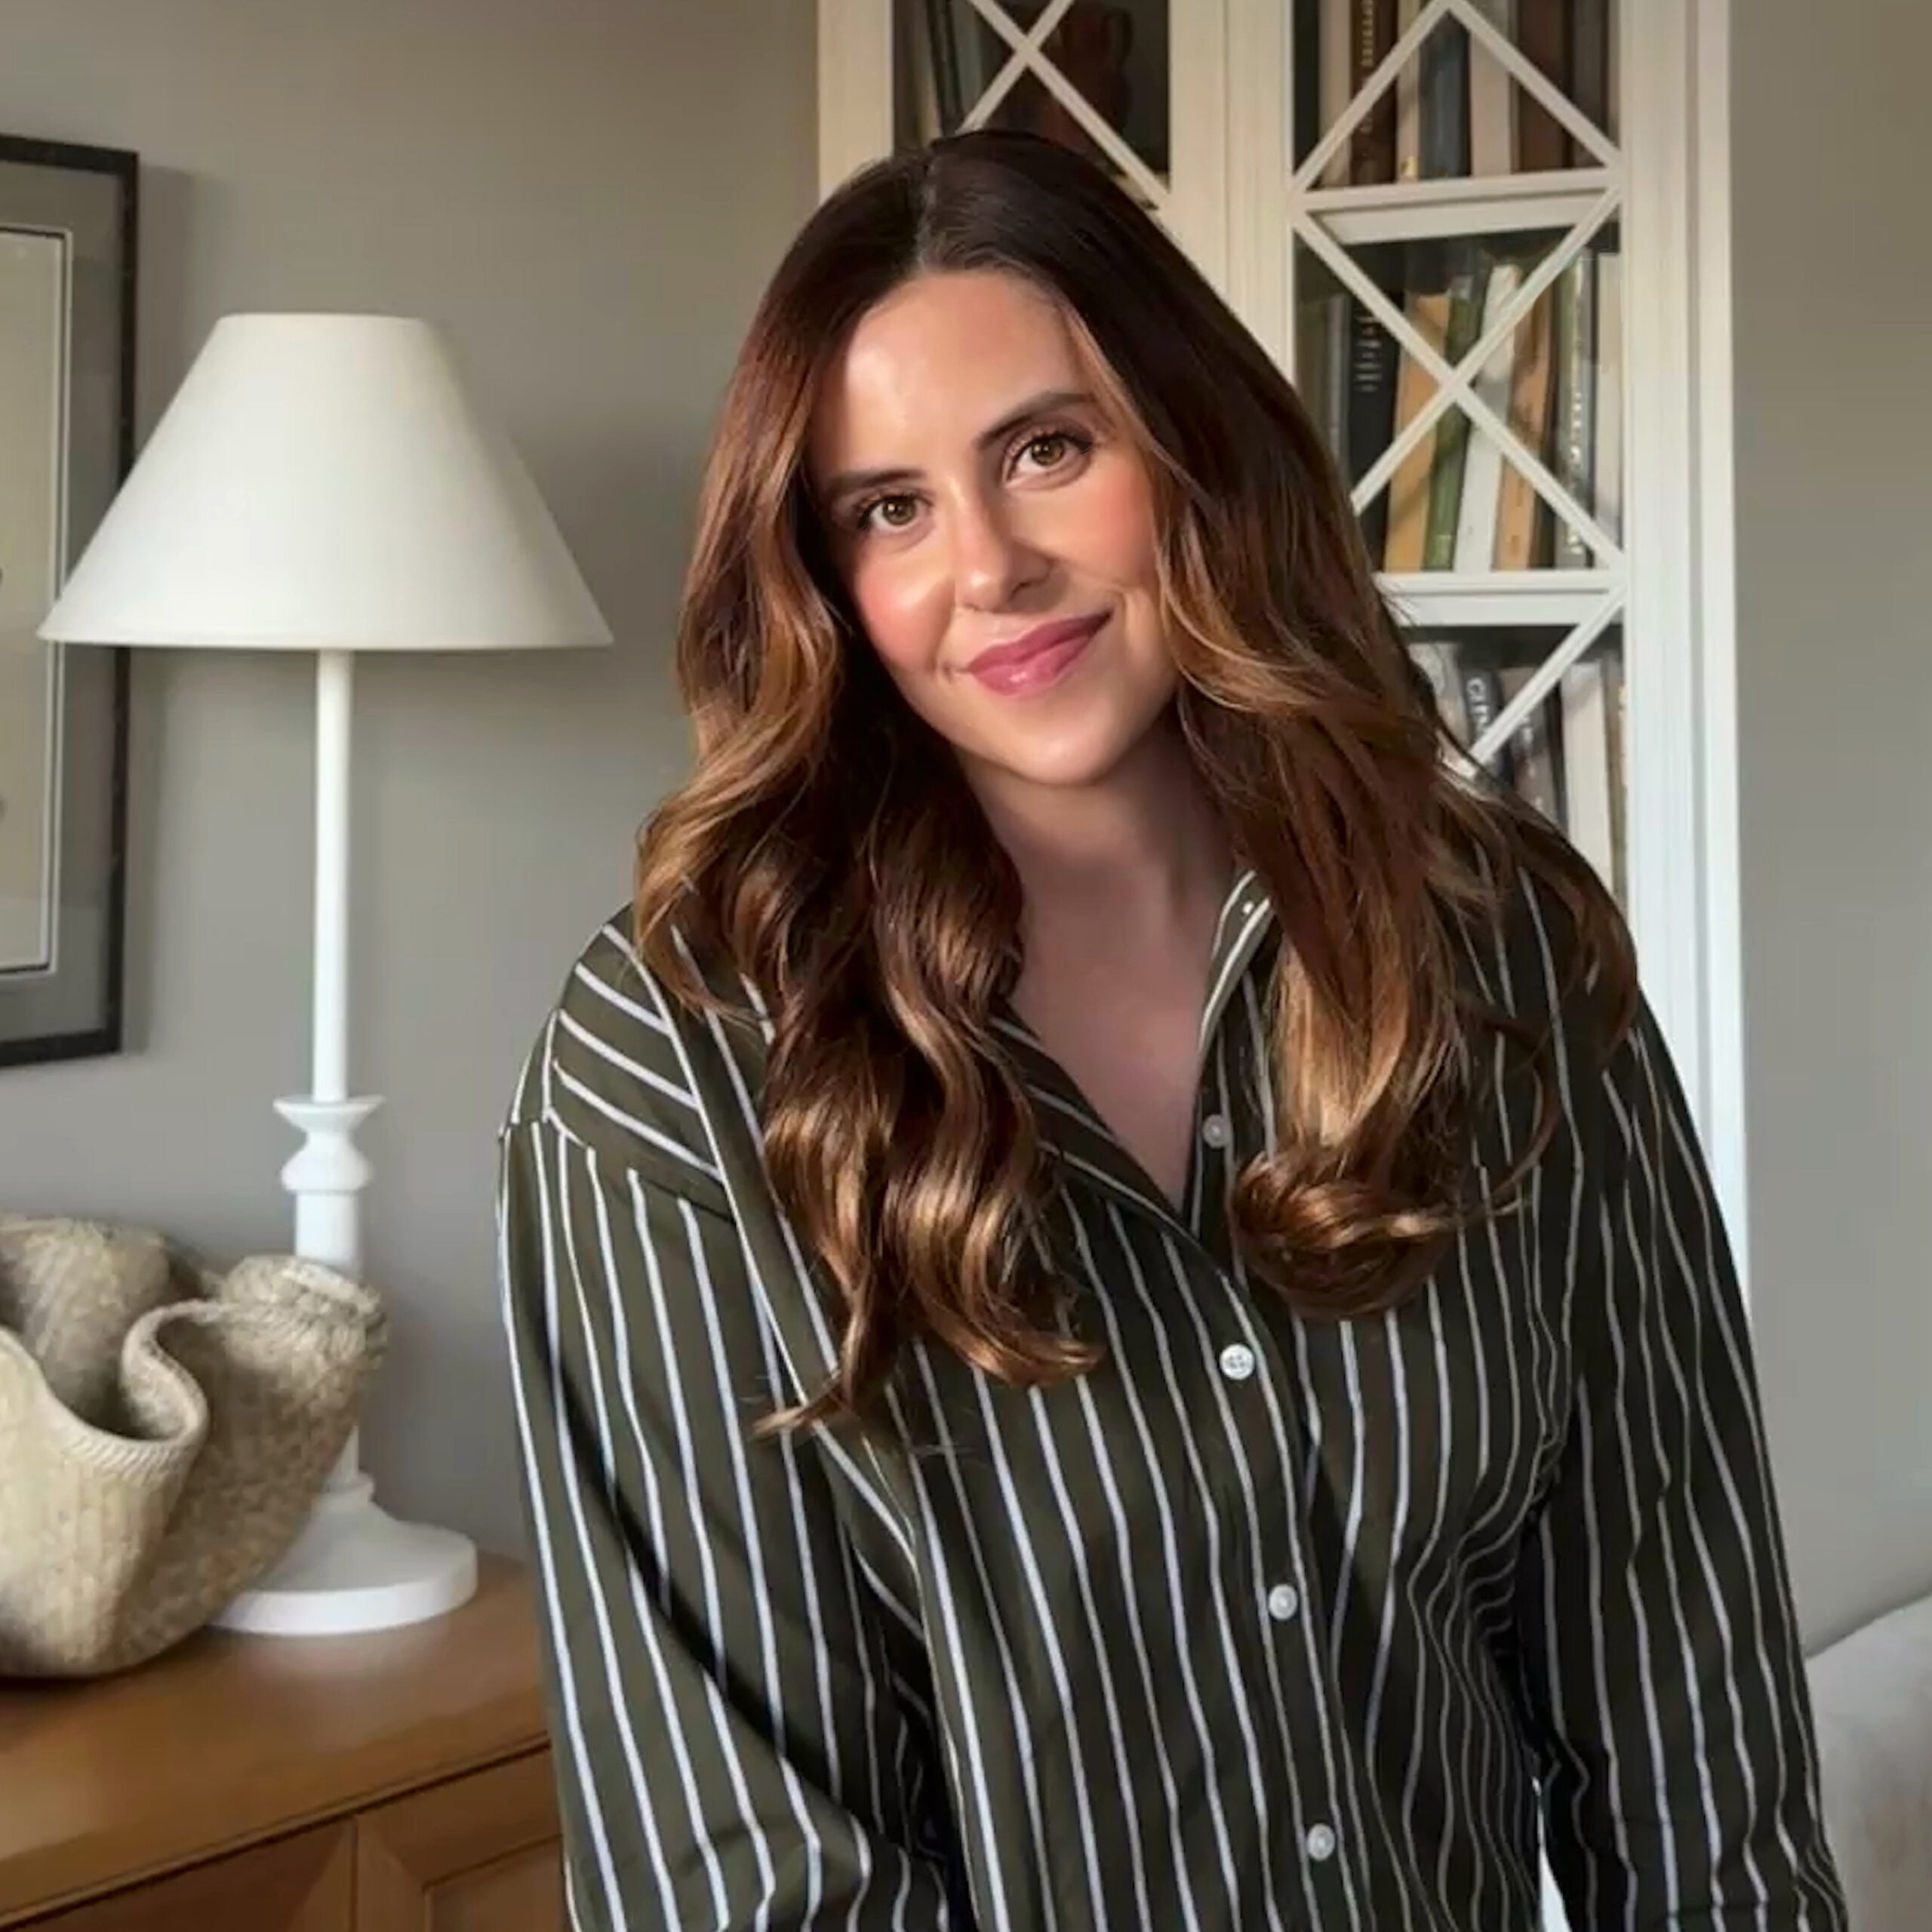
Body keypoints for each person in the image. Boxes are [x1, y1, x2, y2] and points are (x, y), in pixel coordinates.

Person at [495, 130, 1847, 1932]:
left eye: (1046, 450)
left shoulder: (1498, 947)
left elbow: (1690, 1732)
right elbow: (745, 1875)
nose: (987, 566)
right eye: (887, 510)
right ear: (822, 579)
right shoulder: (669, 1064)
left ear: (1191, 443)